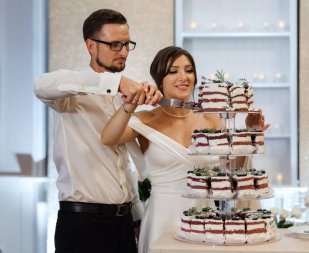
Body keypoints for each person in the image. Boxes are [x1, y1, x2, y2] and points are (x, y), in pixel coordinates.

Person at [101, 46, 269, 253]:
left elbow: (232, 171)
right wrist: (130, 104)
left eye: (189, 70)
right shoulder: (147, 119)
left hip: (204, 218)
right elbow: (108, 137)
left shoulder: (212, 118)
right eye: (173, 71)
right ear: (159, 79)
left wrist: (251, 132)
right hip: (162, 219)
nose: (184, 77)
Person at [34, 9, 162, 253]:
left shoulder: (126, 95)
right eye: (115, 45)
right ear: (91, 46)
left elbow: (122, 164)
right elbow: (40, 85)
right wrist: (116, 82)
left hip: (124, 223)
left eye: (126, 44)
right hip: (82, 225)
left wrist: (136, 218)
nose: (124, 52)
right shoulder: (69, 94)